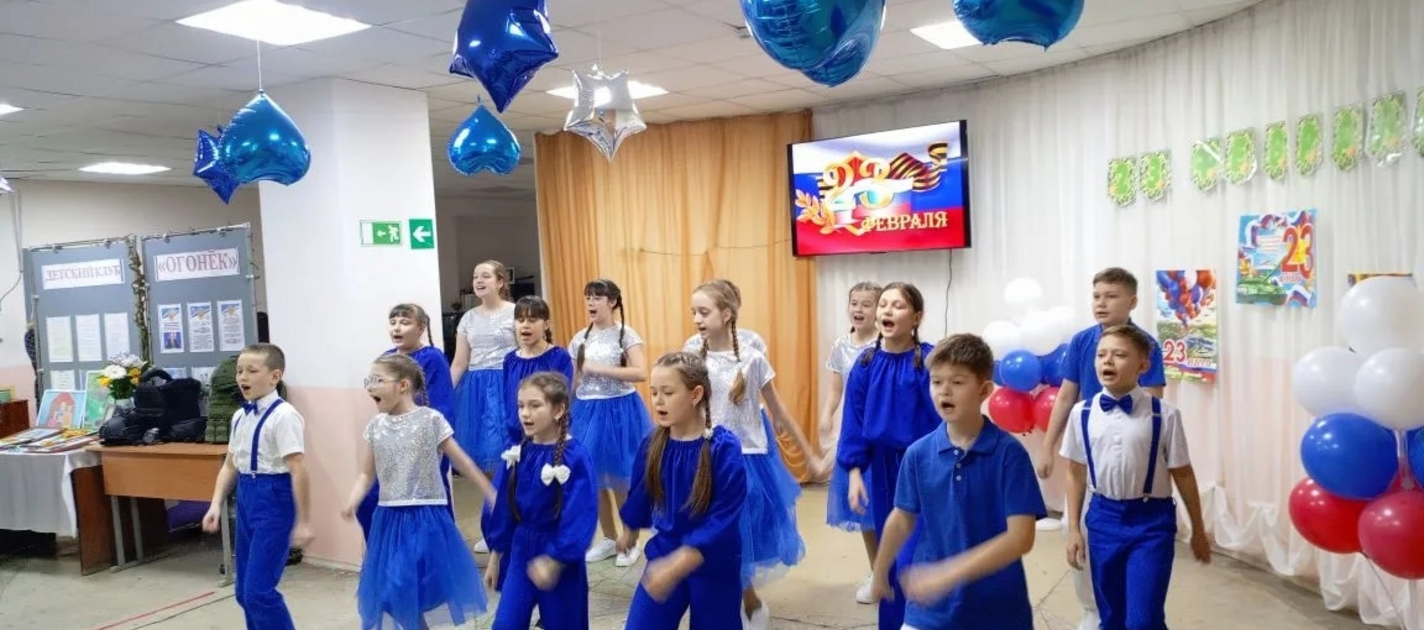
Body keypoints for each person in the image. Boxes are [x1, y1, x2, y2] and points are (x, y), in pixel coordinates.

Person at [870, 334, 1046, 629]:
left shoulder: (1009, 454)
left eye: (957, 382)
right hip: (930, 612)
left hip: (998, 611)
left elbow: (1021, 538)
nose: (944, 391)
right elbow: (901, 519)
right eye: (936, 381)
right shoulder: (918, 454)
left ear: (984, 390)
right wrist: (879, 573)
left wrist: (946, 575)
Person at [689, 280, 827, 629]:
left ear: (726, 314)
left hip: (745, 457)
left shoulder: (752, 359)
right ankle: (724, 597)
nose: (697, 319)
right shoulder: (692, 352)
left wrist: (809, 456)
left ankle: (748, 599)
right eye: (693, 312)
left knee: (740, 531)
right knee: (707, 530)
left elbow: (779, 412)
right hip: (703, 454)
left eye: (704, 312)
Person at [1037, 267, 1167, 630]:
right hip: (1086, 455)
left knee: (1125, 544)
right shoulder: (1081, 341)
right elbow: (1066, 396)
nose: (1101, 303)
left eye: (1111, 296)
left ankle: (1127, 607)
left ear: (1132, 301)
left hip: (1126, 461)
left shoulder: (1146, 345)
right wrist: (1047, 446)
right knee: (1073, 527)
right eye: (1096, 296)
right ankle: (1091, 610)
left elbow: (1153, 403)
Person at [1061, 325, 1209, 630]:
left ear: (1142, 366)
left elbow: (1183, 473)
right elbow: (1075, 472)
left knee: (1143, 620)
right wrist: (1074, 529)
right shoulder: (1081, 413)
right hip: (1102, 518)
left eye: (1119, 355)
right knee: (1111, 615)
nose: (1107, 361)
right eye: (1101, 354)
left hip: (1151, 522)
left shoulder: (1164, 415)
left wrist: (1198, 529)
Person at [341, 353, 494, 630]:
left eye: (377, 380)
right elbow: (366, 474)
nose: (370, 387)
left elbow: (462, 462)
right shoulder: (376, 426)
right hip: (389, 520)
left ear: (402, 385)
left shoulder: (430, 420)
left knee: (404, 584)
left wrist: (490, 492)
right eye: (369, 381)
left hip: (425, 517)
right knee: (393, 595)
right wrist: (352, 500)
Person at [837, 282, 941, 630]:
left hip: (926, 470)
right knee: (892, 554)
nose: (887, 311)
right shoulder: (866, 364)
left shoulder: (930, 361)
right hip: (883, 473)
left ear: (916, 317)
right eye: (883, 304)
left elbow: (947, 415)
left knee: (920, 552)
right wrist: (854, 473)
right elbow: (854, 421)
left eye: (897, 305)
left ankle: (926, 621)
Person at [617, 352, 747, 630]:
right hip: (665, 552)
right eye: (654, 392)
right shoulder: (653, 443)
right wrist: (630, 528)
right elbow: (640, 491)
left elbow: (723, 517)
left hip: (713, 561)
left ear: (695, 394)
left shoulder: (723, 448)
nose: (658, 401)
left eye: (667, 392)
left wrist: (682, 561)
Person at [201, 343, 312, 630]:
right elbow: (230, 465)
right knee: (243, 593)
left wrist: (304, 521)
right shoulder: (240, 416)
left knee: (259, 592)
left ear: (275, 376)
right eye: (239, 371)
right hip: (246, 496)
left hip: (274, 498)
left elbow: (298, 469)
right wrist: (215, 504)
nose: (242, 377)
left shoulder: (284, 416)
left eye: (252, 371)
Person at [482, 372, 598, 630]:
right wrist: (496, 556)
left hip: (559, 555)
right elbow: (503, 509)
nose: (525, 413)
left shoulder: (576, 456)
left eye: (535, 406)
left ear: (558, 410)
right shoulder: (518, 453)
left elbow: (581, 515)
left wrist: (556, 560)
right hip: (521, 550)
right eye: (521, 406)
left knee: (564, 624)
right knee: (506, 623)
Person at [356, 303, 457, 540]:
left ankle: (437, 553)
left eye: (404, 322)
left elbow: (441, 403)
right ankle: (387, 550)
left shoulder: (432, 358)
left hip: (423, 443)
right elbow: (379, 396)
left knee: (428, 505)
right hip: (393, 440)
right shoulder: (386, 359)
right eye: (393, 323)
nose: (397, 328)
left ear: (420, 328)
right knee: (371, 499)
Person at [569, 279, 651, 567]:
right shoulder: (579, 339)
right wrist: (565, 407)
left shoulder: (625, 334)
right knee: (593, 478)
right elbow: (575, 379)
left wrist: (598, 368)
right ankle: (608, 537)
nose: (591, 303)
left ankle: (630, 540)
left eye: (597, 297)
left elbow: (641, 372)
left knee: (620, 477)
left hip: (619, 410)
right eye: (588, 297)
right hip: (586, 411)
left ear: (613, 301)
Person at [819, 281, 884, 604]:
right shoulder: (841, 346)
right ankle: (878, 573)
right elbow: (836, 390)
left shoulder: (885, 345)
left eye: (866, 304)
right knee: (865, 512)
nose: (858, 309)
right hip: (854, 434)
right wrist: (827, 415)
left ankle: (899, 568)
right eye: (854, 303)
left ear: (879, 310)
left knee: (890, 506)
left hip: (883, 434)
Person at [450, 260, 518, 554]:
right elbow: (459, 362)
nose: (479, 280)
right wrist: (443, 397)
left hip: (508, 384)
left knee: (509, 455)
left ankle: (512, 523)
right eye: (475, 276)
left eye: (486, 276)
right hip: (476, 391)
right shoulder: (468, 318)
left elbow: (525, 349)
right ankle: (496, 522)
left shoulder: (515, 312)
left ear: (500, 282)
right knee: (488, 459)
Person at [502, 296, 575, 444]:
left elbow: (563, 398)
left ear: (546, 324)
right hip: (515, 437)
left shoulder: (558, 356)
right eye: (520, 320)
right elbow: (507, 400)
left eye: (532, 320)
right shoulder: (510, 360)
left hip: (549, 438)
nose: (525, 325)